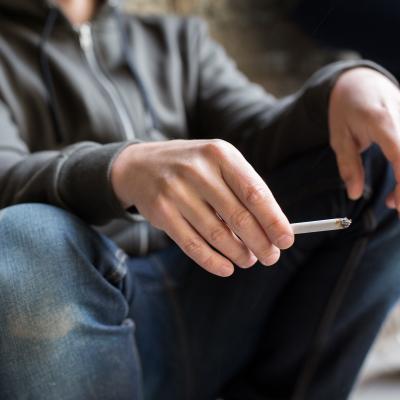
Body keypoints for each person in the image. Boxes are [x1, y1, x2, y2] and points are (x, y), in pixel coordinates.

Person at [1, 0, 400, 399]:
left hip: (213, 298)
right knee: (25, 239)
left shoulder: (177, 41)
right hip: (74, 325)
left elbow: (258, 135)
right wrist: (121, 168)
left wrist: (344, 87)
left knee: (371, 156)